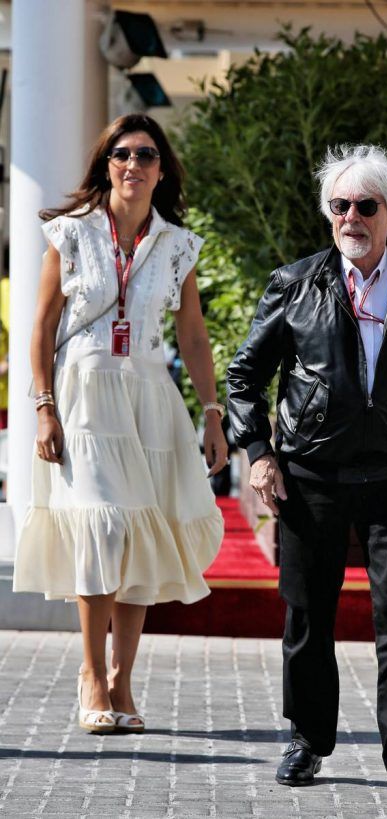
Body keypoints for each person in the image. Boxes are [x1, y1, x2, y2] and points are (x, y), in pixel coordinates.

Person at [227, 144, 387, 796]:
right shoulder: (295, 283)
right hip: (309, 476)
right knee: (307, 615)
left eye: (365, 205)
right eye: (339, 205)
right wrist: (256, 453)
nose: (350, 216)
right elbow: (244, 375)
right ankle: (307, 739)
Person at [14, 114, 227, 734]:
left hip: (149, 396)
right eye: (122, 154)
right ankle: (88, 673)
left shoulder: (177, 243)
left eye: (147, 155)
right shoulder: (73, 234)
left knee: (138, 533)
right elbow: (43, 326)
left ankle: (122, 680)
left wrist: (212, 413)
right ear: (106, 164)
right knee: (103, 529)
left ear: (163, 170)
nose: (133, 165)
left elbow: (191, 335)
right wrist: (44, 406)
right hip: (84, 393)